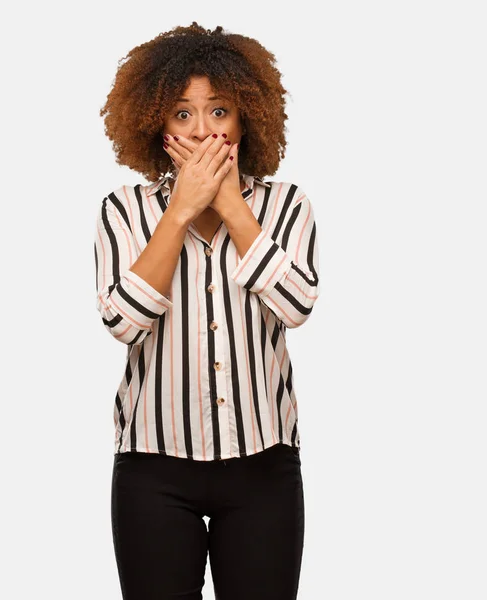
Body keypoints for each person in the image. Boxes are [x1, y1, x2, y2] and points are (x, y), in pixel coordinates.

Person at [94, 21, 321, 600]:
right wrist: (179, 212)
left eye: (219, 112)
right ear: (157, 124)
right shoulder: (125, 211)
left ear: (246, 117)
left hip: (264, 467)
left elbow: (296, 305)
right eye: (183, 114)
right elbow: (123, 321)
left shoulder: (286, 205)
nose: (202, 133)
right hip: (152, 469)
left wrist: (229, 204)